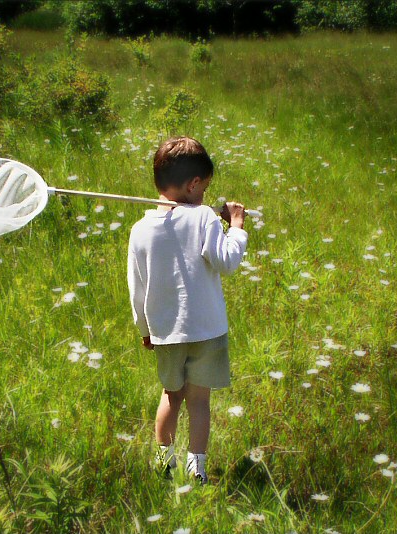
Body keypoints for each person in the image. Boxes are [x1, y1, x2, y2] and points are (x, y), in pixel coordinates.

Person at [127, 136, 248, 483]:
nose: (205, 196)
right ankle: (198, 467)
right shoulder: (204, 220)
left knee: (172, 395)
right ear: (194, 184)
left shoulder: (139, 231)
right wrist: (236, 227)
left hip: (165, 331)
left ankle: (165, 462)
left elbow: (138, 288)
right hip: (207, 330)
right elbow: (226, 262)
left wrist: (145, 330)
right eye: (205, 188)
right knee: (198, 401)